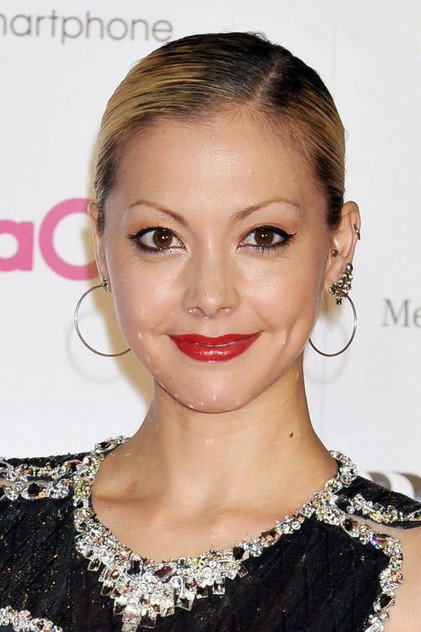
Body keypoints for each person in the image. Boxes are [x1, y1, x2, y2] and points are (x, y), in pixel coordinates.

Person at [0, 31, 420, 632]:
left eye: (263, 237)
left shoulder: (405, 577)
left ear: (337, 246)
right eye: (161, 238)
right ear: (101, 246)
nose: (210, 296)